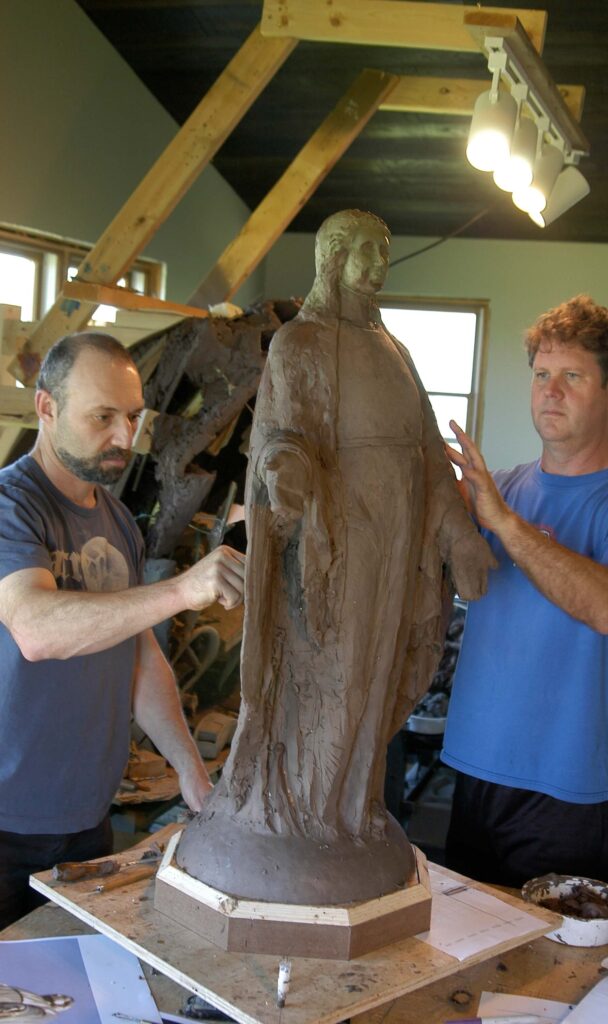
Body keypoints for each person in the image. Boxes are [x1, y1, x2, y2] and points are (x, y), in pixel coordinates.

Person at [175, 209, 496, 907]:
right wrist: (286, 474)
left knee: (378, 675)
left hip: (395, 538)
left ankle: (351, 811)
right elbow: (282, 435)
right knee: (331, 672)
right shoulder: (300, 342)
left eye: (385, 251)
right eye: (364, 253)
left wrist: (458, 534)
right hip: (335, 543)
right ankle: (302, 812)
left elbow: (427, 461)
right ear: (332, 259)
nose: (378, 265)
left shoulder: (395, 350)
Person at [0, 331, 245, 928]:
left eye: (132, 416)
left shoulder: (117, 522)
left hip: (87, 819)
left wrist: (191, 769)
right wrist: (184, 589)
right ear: (46, 408)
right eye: (102, 416)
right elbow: (36, 630)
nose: (123, 437)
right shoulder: (12, 506)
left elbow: (141, 662)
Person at [441, 294, 608, 888]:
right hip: (473, 765)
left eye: (572, 376)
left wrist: (502, 522)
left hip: (569, 786)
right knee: (459, 957)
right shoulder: (497, 490)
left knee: (550, 968)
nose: (550, 391)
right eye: (542, 375)